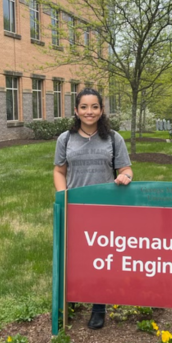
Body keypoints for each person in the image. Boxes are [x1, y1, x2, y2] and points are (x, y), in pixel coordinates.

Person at [53, 87, 133, 330]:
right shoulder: (65, 139)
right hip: (75, 208)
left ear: (101, 110)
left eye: (94, 107)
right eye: (84, 107)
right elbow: (59, 171)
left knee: (101, 258)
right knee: (76, 256)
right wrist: (62, 196)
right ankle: (73, 298)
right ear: (76, 111)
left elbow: (126, 169)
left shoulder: (113, 139)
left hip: (105, 209)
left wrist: (125, 177)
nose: (90, 112)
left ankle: (99, 308)